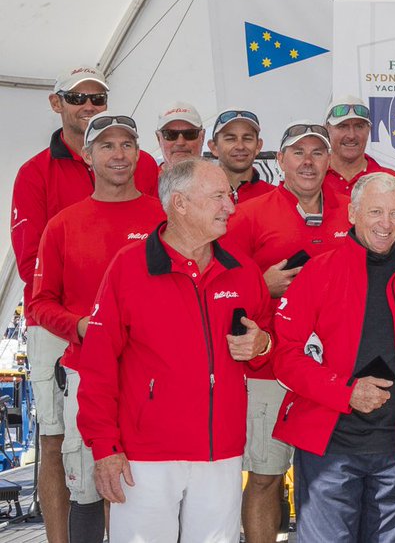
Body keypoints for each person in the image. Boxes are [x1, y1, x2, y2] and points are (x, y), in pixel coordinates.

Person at [76, 158, 273, 542]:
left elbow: (270, 343)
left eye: (229, 196)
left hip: (221, 453)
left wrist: (262, 343)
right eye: (218, 197)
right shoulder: (128, 268)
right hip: (145, 456)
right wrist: (104, 447)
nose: (230, 207)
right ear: (179, 203)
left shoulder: (243, 271)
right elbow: (98, 365)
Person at [10, 65, 158, 543]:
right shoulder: (36, 174)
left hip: (134, 340)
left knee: (130, 450)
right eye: (78, 98)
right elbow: (37, 272)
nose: (88, 105)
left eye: (98, 98)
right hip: (61, 331)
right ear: (57, 104)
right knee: (59, 445)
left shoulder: (149, 178)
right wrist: (81, 326)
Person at [271, 173, 395, 541]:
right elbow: (286, 359)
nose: (385, 224)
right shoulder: (318, 273)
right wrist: (345, 392)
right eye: (375, 211)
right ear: (352, 213)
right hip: (330, 452)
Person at [222, 121, 351, 543]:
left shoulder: (350, 211)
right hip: (269, 369)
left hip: (333, 369)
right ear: (279, 160)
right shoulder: (249, 214)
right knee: (265, 476)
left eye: (317, 152)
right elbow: (221, 286)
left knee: (330, 482)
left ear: (330, 161)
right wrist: (264, 283)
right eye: (298, 152)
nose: (308, 161)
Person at [322, 95, 395, 196]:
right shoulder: (310, 180)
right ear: (326, 130)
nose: (351, 135)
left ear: (369, 130)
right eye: (342, 126)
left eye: (359, 126)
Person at [207, 108, 273, 203]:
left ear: (258, 146)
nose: (240, 146)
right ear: (214, 147)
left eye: (247, 138)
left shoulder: (276, 198)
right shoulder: (196, 197)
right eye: (230, 139)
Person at [156, 102, 206, 169]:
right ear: (159, 138)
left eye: (189, 134)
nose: (180, 143)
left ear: (202, 137)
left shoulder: (218, 177)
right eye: (171, 134)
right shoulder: (147, 178)